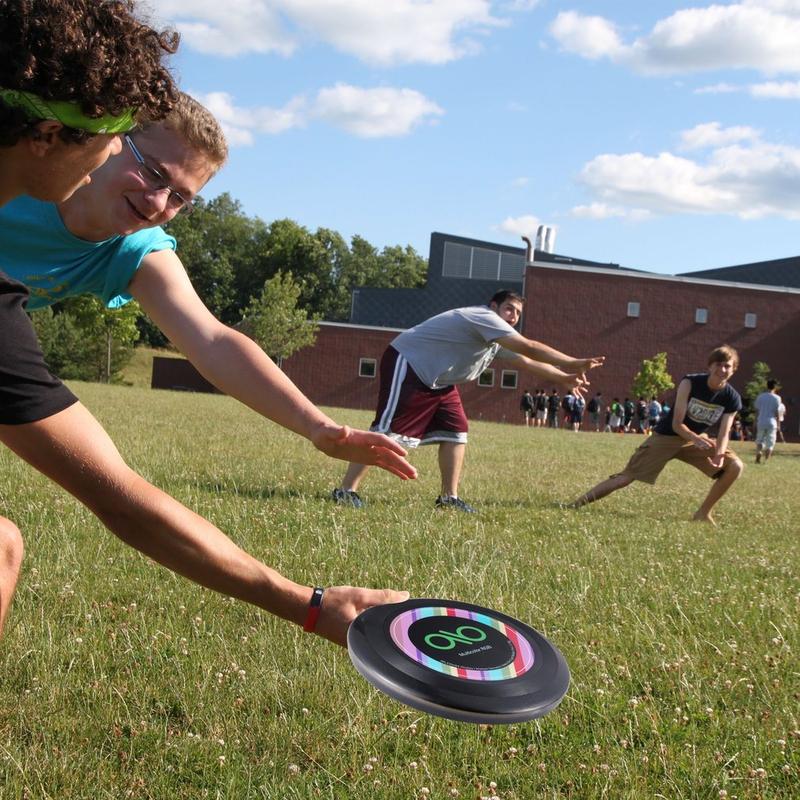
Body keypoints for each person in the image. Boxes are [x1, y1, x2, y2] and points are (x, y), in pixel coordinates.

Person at [0, 9, 409, 644]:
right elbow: (115, 493)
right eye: (152, 173)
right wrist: (304, 604)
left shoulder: (133, 250)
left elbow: (212, 340)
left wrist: (319, 427)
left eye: (183, 198)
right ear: (93, 134)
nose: (160, 203)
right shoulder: (31, 160)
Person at [331, 290, 605, 512]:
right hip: (410, 362)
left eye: (518, 313)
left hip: (440, 380)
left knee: (456, 431)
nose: (513, 316)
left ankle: (449, 498)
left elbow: (525, 361)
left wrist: (564, 378)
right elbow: (529, 347)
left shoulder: (494, 339)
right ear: (494, 306)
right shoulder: (483, 317)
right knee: (386, 433)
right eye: (509, 308)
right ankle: (345, 491)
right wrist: (573, 361)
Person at [569, 345, 744, 525]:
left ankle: (703, 513)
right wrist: (695, 438)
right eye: (718, 364)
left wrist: (719, 455)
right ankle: (574, 505)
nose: (722, 370)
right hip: (668, 436)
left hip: (694, 440)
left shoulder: (732, 398)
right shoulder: (690, 383)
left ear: (734, 369)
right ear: (710, 366)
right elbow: (677, 424)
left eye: (727, 366)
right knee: (625, 478)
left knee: (735, 466)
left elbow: (724, 432)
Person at [754, 380, 781, 463]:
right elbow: (777, 412)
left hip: (761, 420)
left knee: (760, 439)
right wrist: (779, 423)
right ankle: (766, 460)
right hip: (772, 421)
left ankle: (759, 452)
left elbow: (757, 410)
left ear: (767, 386)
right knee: (770, 441)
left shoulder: (760, 396)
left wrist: (755, 421)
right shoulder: (777, 398)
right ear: (775, 387)